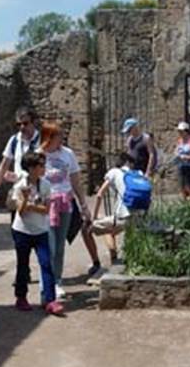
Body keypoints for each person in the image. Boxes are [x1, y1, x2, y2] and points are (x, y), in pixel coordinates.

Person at [38, 121, 92, 300]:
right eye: (59, 134)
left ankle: (57, 281)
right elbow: (32, 179)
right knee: (49, 246)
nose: (62, 137)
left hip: (65, 204)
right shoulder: (39, 154)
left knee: (60, 246)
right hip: (46, 205)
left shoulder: (68, 154)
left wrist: (83, 205)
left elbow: (75, 179)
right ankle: (46, 281)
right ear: (50, 136)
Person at [8, 152, 64, 315]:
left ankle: (50, 300)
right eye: (41, 165)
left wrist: (30, 205)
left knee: (46, 264)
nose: (44, 168)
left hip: (40, 231)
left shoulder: (45, 185)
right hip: (22, 231)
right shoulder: (20, 186)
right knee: (23, 265)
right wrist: (26, 201)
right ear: (31, 168)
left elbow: (46, 209)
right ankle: (21, 297)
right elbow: (20, 211)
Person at [90, 152, 141, 270]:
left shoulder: (114, 172)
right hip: (140, 217)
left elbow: (99, 195)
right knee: (127, 231)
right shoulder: (138, 173)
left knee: (103, 229)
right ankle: (130, 261)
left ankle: (114, 260)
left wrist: (95, 217)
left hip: (123, 217)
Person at [0, 107, 40, 207]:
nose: (22, 127)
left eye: (25, 123)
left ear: (34, 122)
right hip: (19, 193)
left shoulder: (43, 140)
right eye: (18, 124)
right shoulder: (14, 140)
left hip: (39, 193)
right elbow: (4, 165)